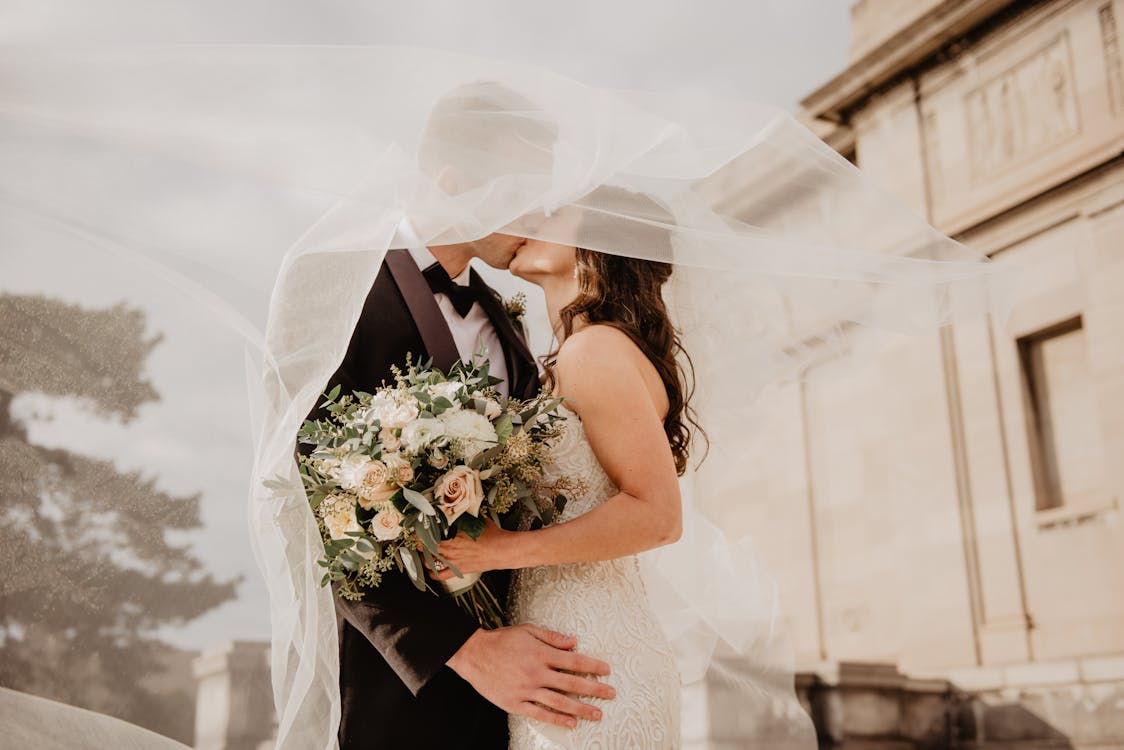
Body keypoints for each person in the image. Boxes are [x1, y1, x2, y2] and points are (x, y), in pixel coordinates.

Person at [305, 82, 616, 750]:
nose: (538, 213)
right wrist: (469, 651)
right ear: (453, 182)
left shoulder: (509, 325)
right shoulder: (332, 285)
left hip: (532, 684)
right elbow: (312, 501)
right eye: (523, 190)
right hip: (404, 691)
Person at [432, 203, 695, 748]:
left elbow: (659, 516)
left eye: (554, 214)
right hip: (563, 648)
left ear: (598, 241)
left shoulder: (594, 350)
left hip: (591, 656)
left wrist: (498, 551)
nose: (528, 217)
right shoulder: (571, 355)